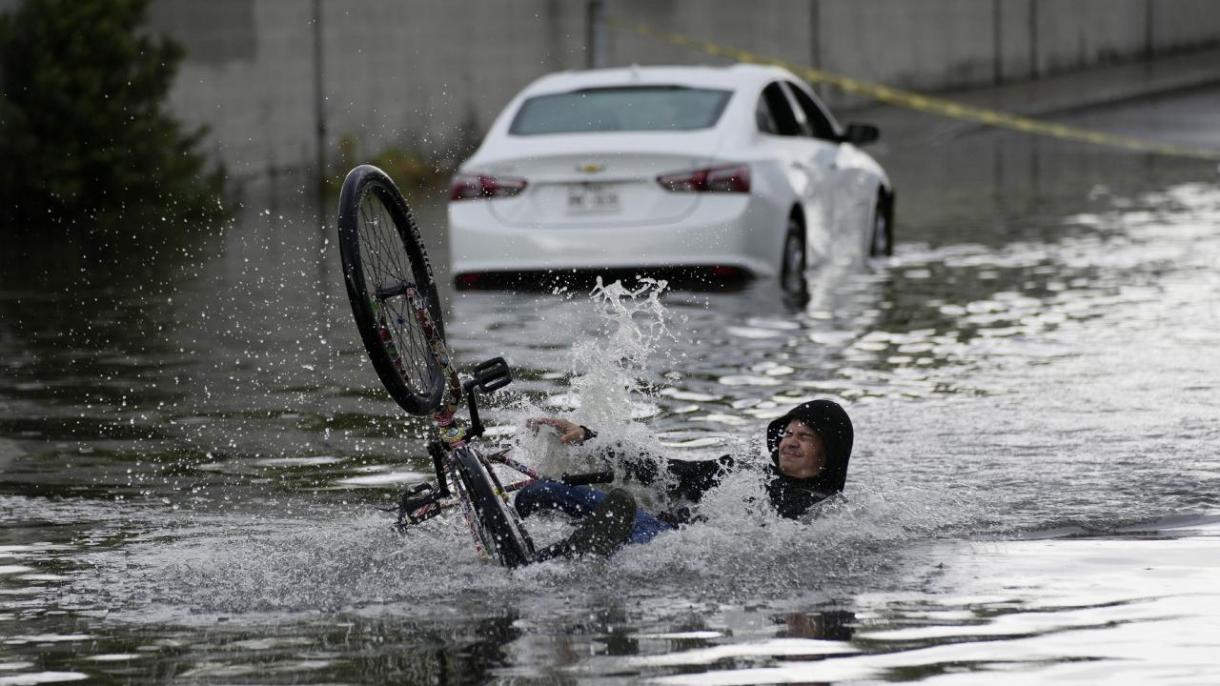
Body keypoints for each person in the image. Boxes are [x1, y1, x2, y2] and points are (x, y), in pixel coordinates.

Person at [516, 399, 854, 560]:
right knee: (539, 492)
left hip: (668, 542)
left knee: (627, 523)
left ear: (829, 453)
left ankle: (535, 564)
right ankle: (515, 535)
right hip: (654, 523)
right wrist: (590, 436)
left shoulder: (823, 512)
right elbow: (670, 471)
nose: (790, 441)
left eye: (806, 437)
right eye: (788, 432)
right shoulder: (744, 472)